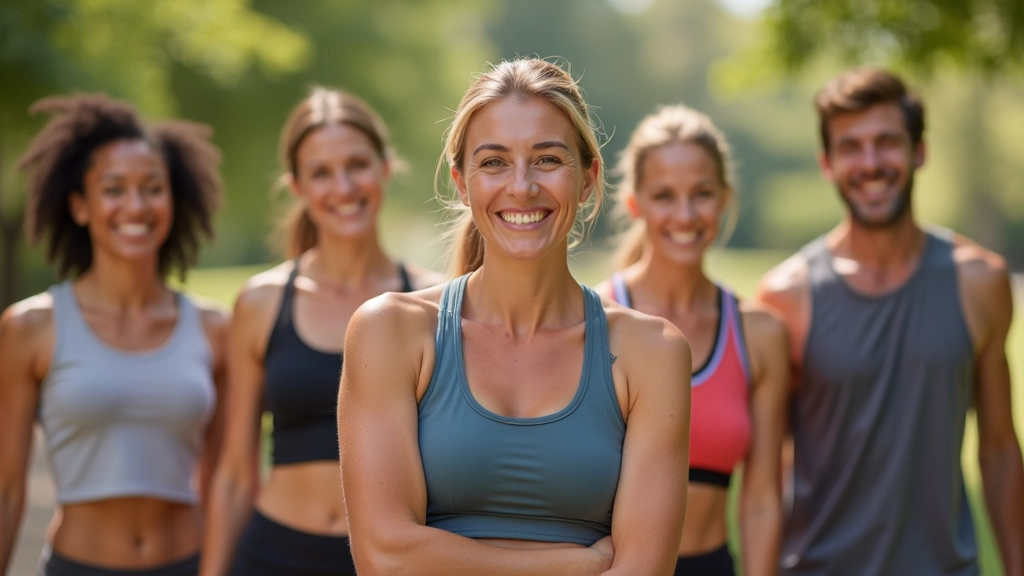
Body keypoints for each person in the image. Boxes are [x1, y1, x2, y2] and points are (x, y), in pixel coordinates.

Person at [338, 57, 692, 576]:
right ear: (462, 182)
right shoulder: (389, 332)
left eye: (547, 159)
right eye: (494, 162)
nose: (522, 186)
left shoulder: (652, 353)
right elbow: (386, 557)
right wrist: (575, 565)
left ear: (588, 178)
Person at [756, 68, 1024, 576]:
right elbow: (767, 474)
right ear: (827, 163)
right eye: (850, 147)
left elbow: (999, 451)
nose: (871, 163)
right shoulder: (785, 297)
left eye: (887, 142)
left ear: (919, 151)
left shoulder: (980, 283)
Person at [199, 87, 443, 576]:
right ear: (297, 186)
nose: (343, 187)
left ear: (385, 167)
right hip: (271, 555)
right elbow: (235, 475)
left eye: (357, 165)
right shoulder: (262, 302)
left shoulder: (434, 302)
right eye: (321, 173)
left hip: (390, 564)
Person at [0, 94, 227, 576]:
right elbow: (7, 491)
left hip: (187, 565)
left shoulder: (214, 329)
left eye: (153, 188)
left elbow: (227, 480)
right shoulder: (30, 328)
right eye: (113, 188)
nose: (135, 205)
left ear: (173, 200)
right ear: (80, 206)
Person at [597, 105, 787, 576]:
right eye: (664, 196)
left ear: (724, 199)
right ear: (635, 203)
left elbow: (762, 500)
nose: (684, 214)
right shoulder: (592, 320)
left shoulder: (759, 333)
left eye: (701, 194)